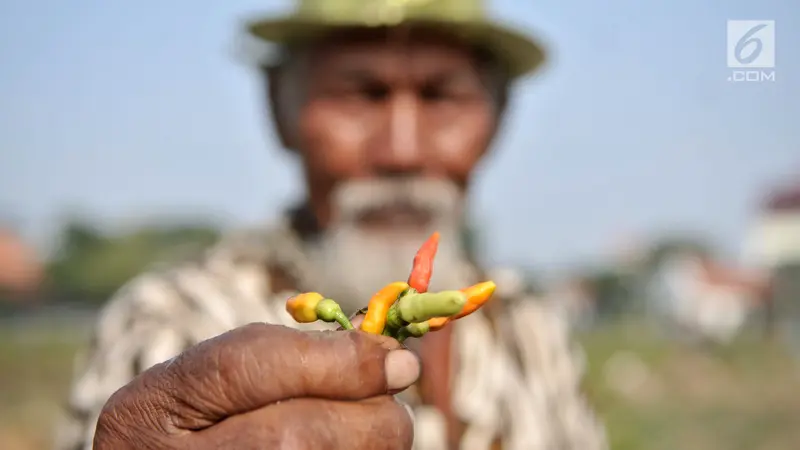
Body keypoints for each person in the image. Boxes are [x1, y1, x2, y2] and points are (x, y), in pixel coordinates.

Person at [55, 0, 607, 449]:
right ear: (280, 109)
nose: (402, 151)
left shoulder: (531, 333)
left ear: (498, 119)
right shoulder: (170, 323)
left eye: (442, 97)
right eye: (361, 94)